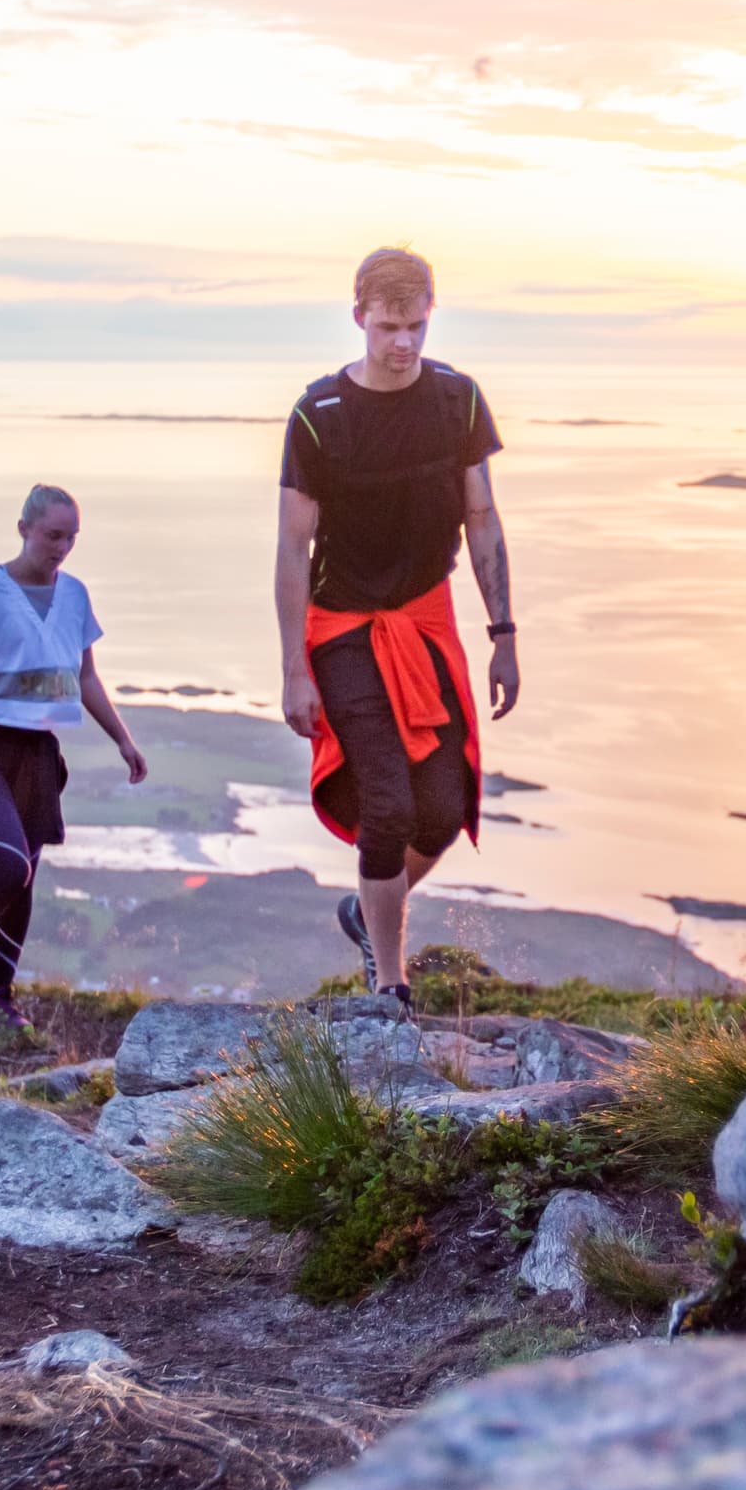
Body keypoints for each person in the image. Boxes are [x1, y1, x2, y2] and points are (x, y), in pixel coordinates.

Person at [274, 245, 519, 1009]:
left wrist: (504, 634)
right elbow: (290, 545)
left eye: (415, 325)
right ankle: (390, 983)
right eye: (387, 327)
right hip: (343, 629)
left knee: (443, 810)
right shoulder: (320, 416)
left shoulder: (458, 401)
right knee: (388, 804)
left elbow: (481, 517)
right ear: (359, 320)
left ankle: (362, 907)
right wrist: (292, 669)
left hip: (425, 619)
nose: (403, 342)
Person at [0, 483, 145, 1025]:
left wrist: (122, 738)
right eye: (52, 535)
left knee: (23, 882)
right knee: (8, 866)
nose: (62, 547)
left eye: (71, 537)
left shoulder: (75, 596)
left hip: (40, 753)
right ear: (23, 528)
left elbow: (85, 675)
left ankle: (1, 997)